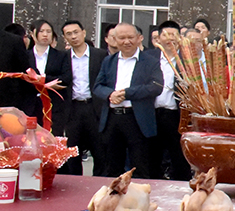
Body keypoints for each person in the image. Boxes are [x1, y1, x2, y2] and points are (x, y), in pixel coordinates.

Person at [92, 23, 163, 178]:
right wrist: (110, 94)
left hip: (137, 119)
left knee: (140, 166)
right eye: (122, 38)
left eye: (130, 37)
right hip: (112, 118)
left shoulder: (150, 61)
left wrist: (127, 93)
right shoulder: (108, 61)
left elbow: (156, 87)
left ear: (139, 38)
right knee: (112, 166)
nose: (126, 41)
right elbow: (98, 86)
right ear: (114, 40)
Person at [59, 20, 107, 176]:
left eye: (76, 32)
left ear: (84, 33)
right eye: (69, 34)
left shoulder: (100, 55)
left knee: (100, 151)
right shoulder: (63, 57)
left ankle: (99, 187)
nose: (73, 36)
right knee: (73, 152)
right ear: (64, 37)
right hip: (73, 109)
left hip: (95, 107)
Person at [149, 20, 190, 181]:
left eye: (174, 35)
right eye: (165, 35)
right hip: (153, 114)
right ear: (158, 38)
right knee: (152, 156)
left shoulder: (187, 60)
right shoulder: (149, 58)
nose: (170, 39)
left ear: (180, 38)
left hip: (176, 115)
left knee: (179, 157)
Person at [27, 19, 70, 134]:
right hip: (30, 106)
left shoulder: (61, 56)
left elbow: (66, 78)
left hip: (54, 107)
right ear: (32, 34)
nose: (45, 34)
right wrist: (48, 82)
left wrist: (42, 78)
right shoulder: (25, 56)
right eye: (41, 31)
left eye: (49, 31)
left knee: (52, 140)